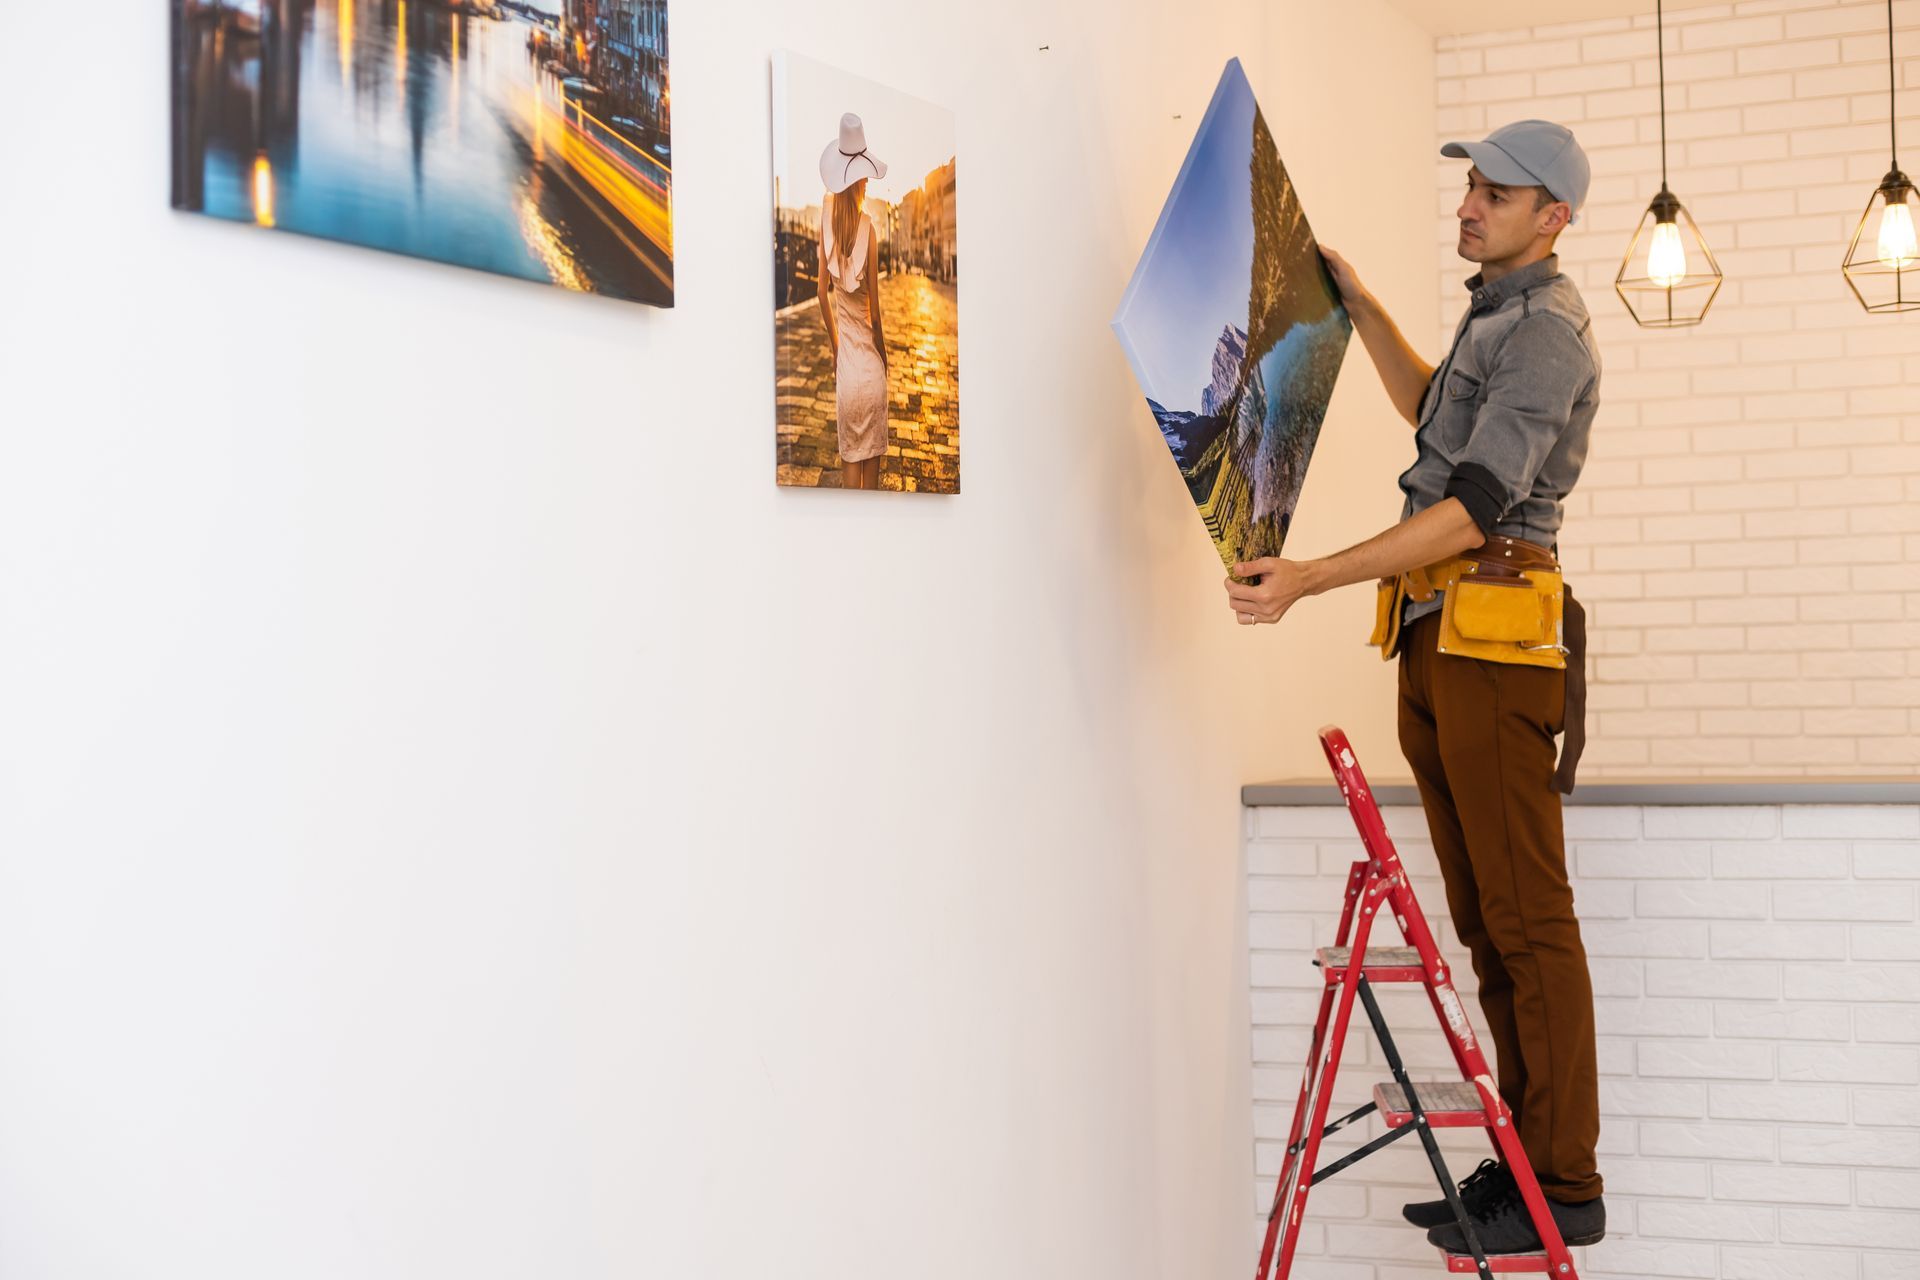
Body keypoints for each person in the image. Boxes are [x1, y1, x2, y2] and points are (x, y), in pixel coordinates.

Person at [1224, 119, 1607, 1256]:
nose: (1468, 205)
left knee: (1528, 920)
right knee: (1489, 918)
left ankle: (1566, 1177)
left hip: (1492, 639)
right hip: (1443, 637)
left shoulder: (1548, 332)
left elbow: (1474, 506)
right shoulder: (1497, 317)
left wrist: (1312, 577)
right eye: (1471, 187)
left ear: (1554, 216)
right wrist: (1362, 307)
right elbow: (1434, 411)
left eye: (1495, 192)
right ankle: (1528, 1163)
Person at [815, 112, 890, 491]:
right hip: (871, 374)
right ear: (861, 180)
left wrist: (835, 346)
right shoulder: (870, 231)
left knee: (849, 495)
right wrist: (885, 357)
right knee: (871, 494)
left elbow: (820, 297)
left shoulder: (825, 218)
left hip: (847, 376)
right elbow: (875, 316)